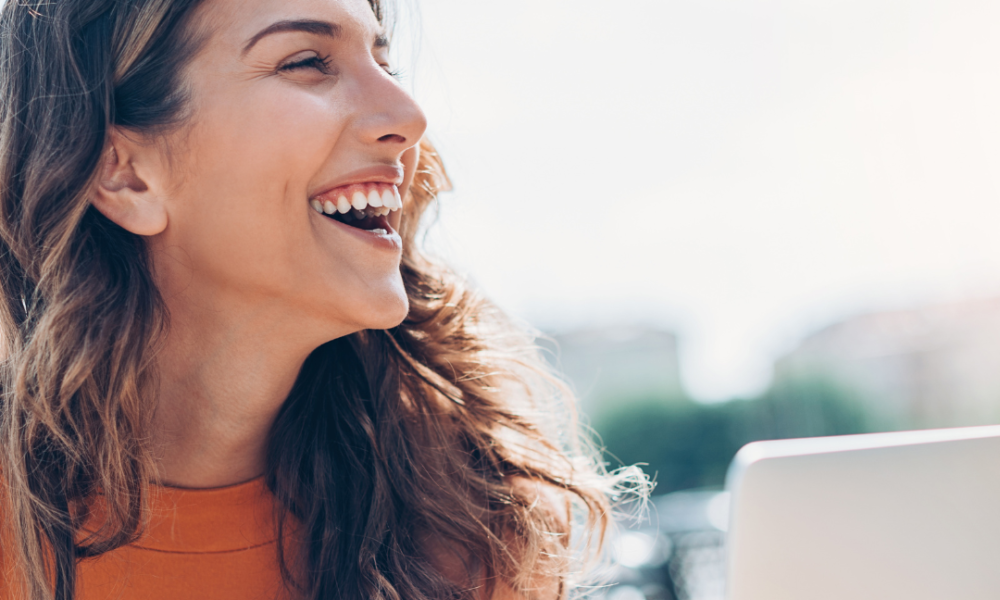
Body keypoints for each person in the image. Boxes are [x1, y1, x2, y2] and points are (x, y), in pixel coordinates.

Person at [0, 0, 645, 599]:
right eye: (306, 62)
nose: (409, 116)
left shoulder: (473, 525)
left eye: (384, 63)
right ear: (125, 172)